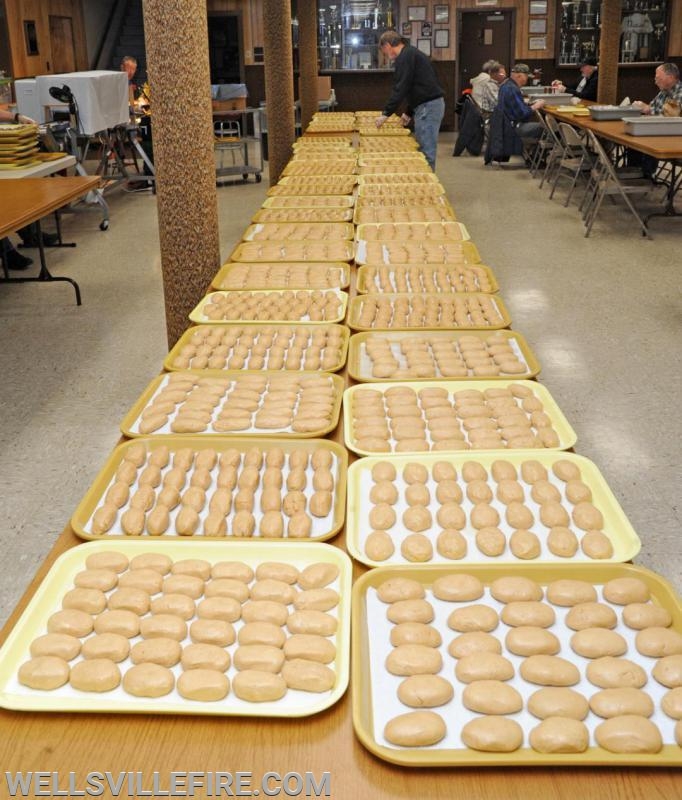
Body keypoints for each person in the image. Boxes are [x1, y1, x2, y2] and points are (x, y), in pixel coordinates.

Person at [375, 30, 445, 171]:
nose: (386, 55)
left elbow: (401, 87)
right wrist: (408, 112)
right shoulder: (410, 53)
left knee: (426, 151)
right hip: (426, 105)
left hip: (428, 107)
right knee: (423, 147)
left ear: (388, 45)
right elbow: (415, 87)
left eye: (384, 51)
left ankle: (427, 188)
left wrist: (386, 113)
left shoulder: (405, 57)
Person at [631, 62, 682, 178]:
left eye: (658, 78)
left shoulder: (680, 93)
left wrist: (647, 110)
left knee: (646, 141)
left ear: (670, 77)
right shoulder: (663, 92)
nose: (655, 80)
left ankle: (645, 175)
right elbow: (652, 108)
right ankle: (634, 172)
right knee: (633, 138)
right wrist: (645, 109)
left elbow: (671, 117)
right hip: (660, 132)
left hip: (675, 138)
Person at [497, 63, 544, 143]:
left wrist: (529, 104)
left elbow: (516, 107)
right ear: (519, 76)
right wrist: (535, 106)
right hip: (513, 127)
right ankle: (544, 153)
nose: (527, 79)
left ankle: (534, 152)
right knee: (545, 128)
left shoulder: (506, 85)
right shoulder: (512, 89)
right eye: (526, 76)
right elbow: (521, 114)